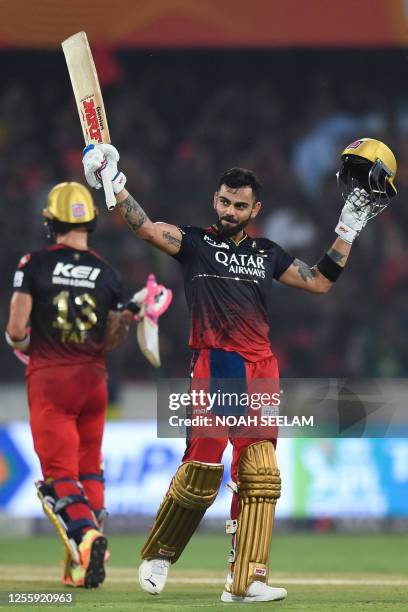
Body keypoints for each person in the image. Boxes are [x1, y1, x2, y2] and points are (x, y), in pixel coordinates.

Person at [82, 137, 397, 603]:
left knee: (261, 474)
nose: (231, 210)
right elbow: (147, 229)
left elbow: (320, 281)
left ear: (256, 209)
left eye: (240, 205)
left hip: (260, 368)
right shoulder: (194, 242)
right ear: (216, 200)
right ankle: (160, 553)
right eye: (225, 202)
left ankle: (246, 581)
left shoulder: (266, 253)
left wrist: (347, 228)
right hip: (217, 362)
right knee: (205, 467)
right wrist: (115, 184)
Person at [5, 181, 167, 588]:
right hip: (94, 381)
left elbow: (16, 328)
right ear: (90, 222)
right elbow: (112, 337)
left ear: (50, 220)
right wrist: (131, 309)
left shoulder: (34, 263)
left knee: (59, 476)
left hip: (51, 378)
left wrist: (24, 347)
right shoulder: (107, 273)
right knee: (89, 470)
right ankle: (80, 566)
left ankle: (88, 537)